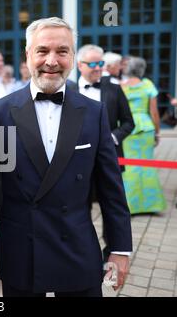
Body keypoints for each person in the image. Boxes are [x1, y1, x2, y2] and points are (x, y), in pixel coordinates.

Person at [0, 17, 132, 297]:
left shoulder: (94, 113)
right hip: (20, 250)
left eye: (62, 51)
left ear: (72, 56)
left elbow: (111, 189)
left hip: (77, 249)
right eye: (42, 51)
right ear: (28, 54)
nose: (52, 60)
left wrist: (119, 249)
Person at [67, 44, 134, 262]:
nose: (98, 68)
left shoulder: (114, 89)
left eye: (101, 63)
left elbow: (128, 122)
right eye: (93, 64)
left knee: (111, 204)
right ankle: (79, 250)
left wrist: (110, 138)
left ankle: (112, 249)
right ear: (80, 65)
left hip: (110, 158)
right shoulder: (69, 91)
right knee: (80, 206)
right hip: (78, 164)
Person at [120, 56, 167, 214]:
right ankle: (151, 205)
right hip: (145, 128)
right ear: (142, 69)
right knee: (147, 166)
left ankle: (130, 206)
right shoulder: (147, 85)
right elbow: (154, 112)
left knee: (129, 167)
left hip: (127, 128)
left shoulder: (121, 86)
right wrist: (158, 132)